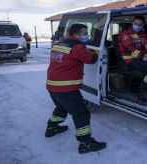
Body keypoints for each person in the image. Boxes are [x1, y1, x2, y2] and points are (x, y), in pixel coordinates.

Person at [45, 24, 106, 154]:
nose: (87, 36)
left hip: (52, 85)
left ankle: (51, 128)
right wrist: (94, 52)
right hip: (66, 88)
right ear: (76, 34)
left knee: (62, 108)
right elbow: (90, 59)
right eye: (84, 33)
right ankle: (85, 143)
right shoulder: (77, 47)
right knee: (81, 113)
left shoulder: (58, 44)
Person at [118, 15, 147, 102]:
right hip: (129, 59)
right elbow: (132, 50)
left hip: (140, 58)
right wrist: (145, 56)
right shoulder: (126, 35)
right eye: (136, 23)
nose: (137, 26)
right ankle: (143, 90)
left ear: (143, 25)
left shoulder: (143, 34)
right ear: (133, 23)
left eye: (140, 24)